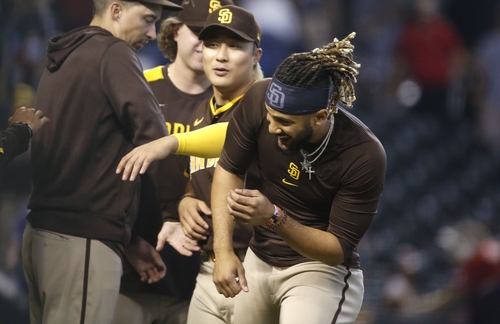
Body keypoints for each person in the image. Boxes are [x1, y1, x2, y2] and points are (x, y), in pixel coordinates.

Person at [21, 0, 183, 323]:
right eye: (148, 19)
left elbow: (87, 160)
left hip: (43, 237)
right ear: (117, 10)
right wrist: (173, 211)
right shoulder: (114, 52)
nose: (153, 33)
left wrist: (127, 239)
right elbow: (156, 138)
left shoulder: (65, 55)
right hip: (81, 246)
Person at [209, 33, 387, 324]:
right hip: (259, 257)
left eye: (284, 121)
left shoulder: (363, 154)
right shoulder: (257, 97)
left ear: (319, 116)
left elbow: (335, 250)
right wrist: (224, 250)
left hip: (320, 271)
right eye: (269, 116)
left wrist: (274, 216)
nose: (271, 127)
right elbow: (229, 169)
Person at [112, 1, 232, 324]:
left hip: (202, 283)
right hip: (132, 271)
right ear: (176, 31)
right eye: (199, 33)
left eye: (218, 39)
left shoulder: (237, 106)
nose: (207, 45)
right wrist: (127, 242)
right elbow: (108, 173)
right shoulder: (138, 87)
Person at [175, 5, 263, 324]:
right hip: (208, 268)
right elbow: (201, 171)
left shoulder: (266, 110)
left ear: (256, 56)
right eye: (212, 44)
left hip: (258, 268)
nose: (220, 56)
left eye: (235, 46)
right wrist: (186, 198)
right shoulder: (201, 111)